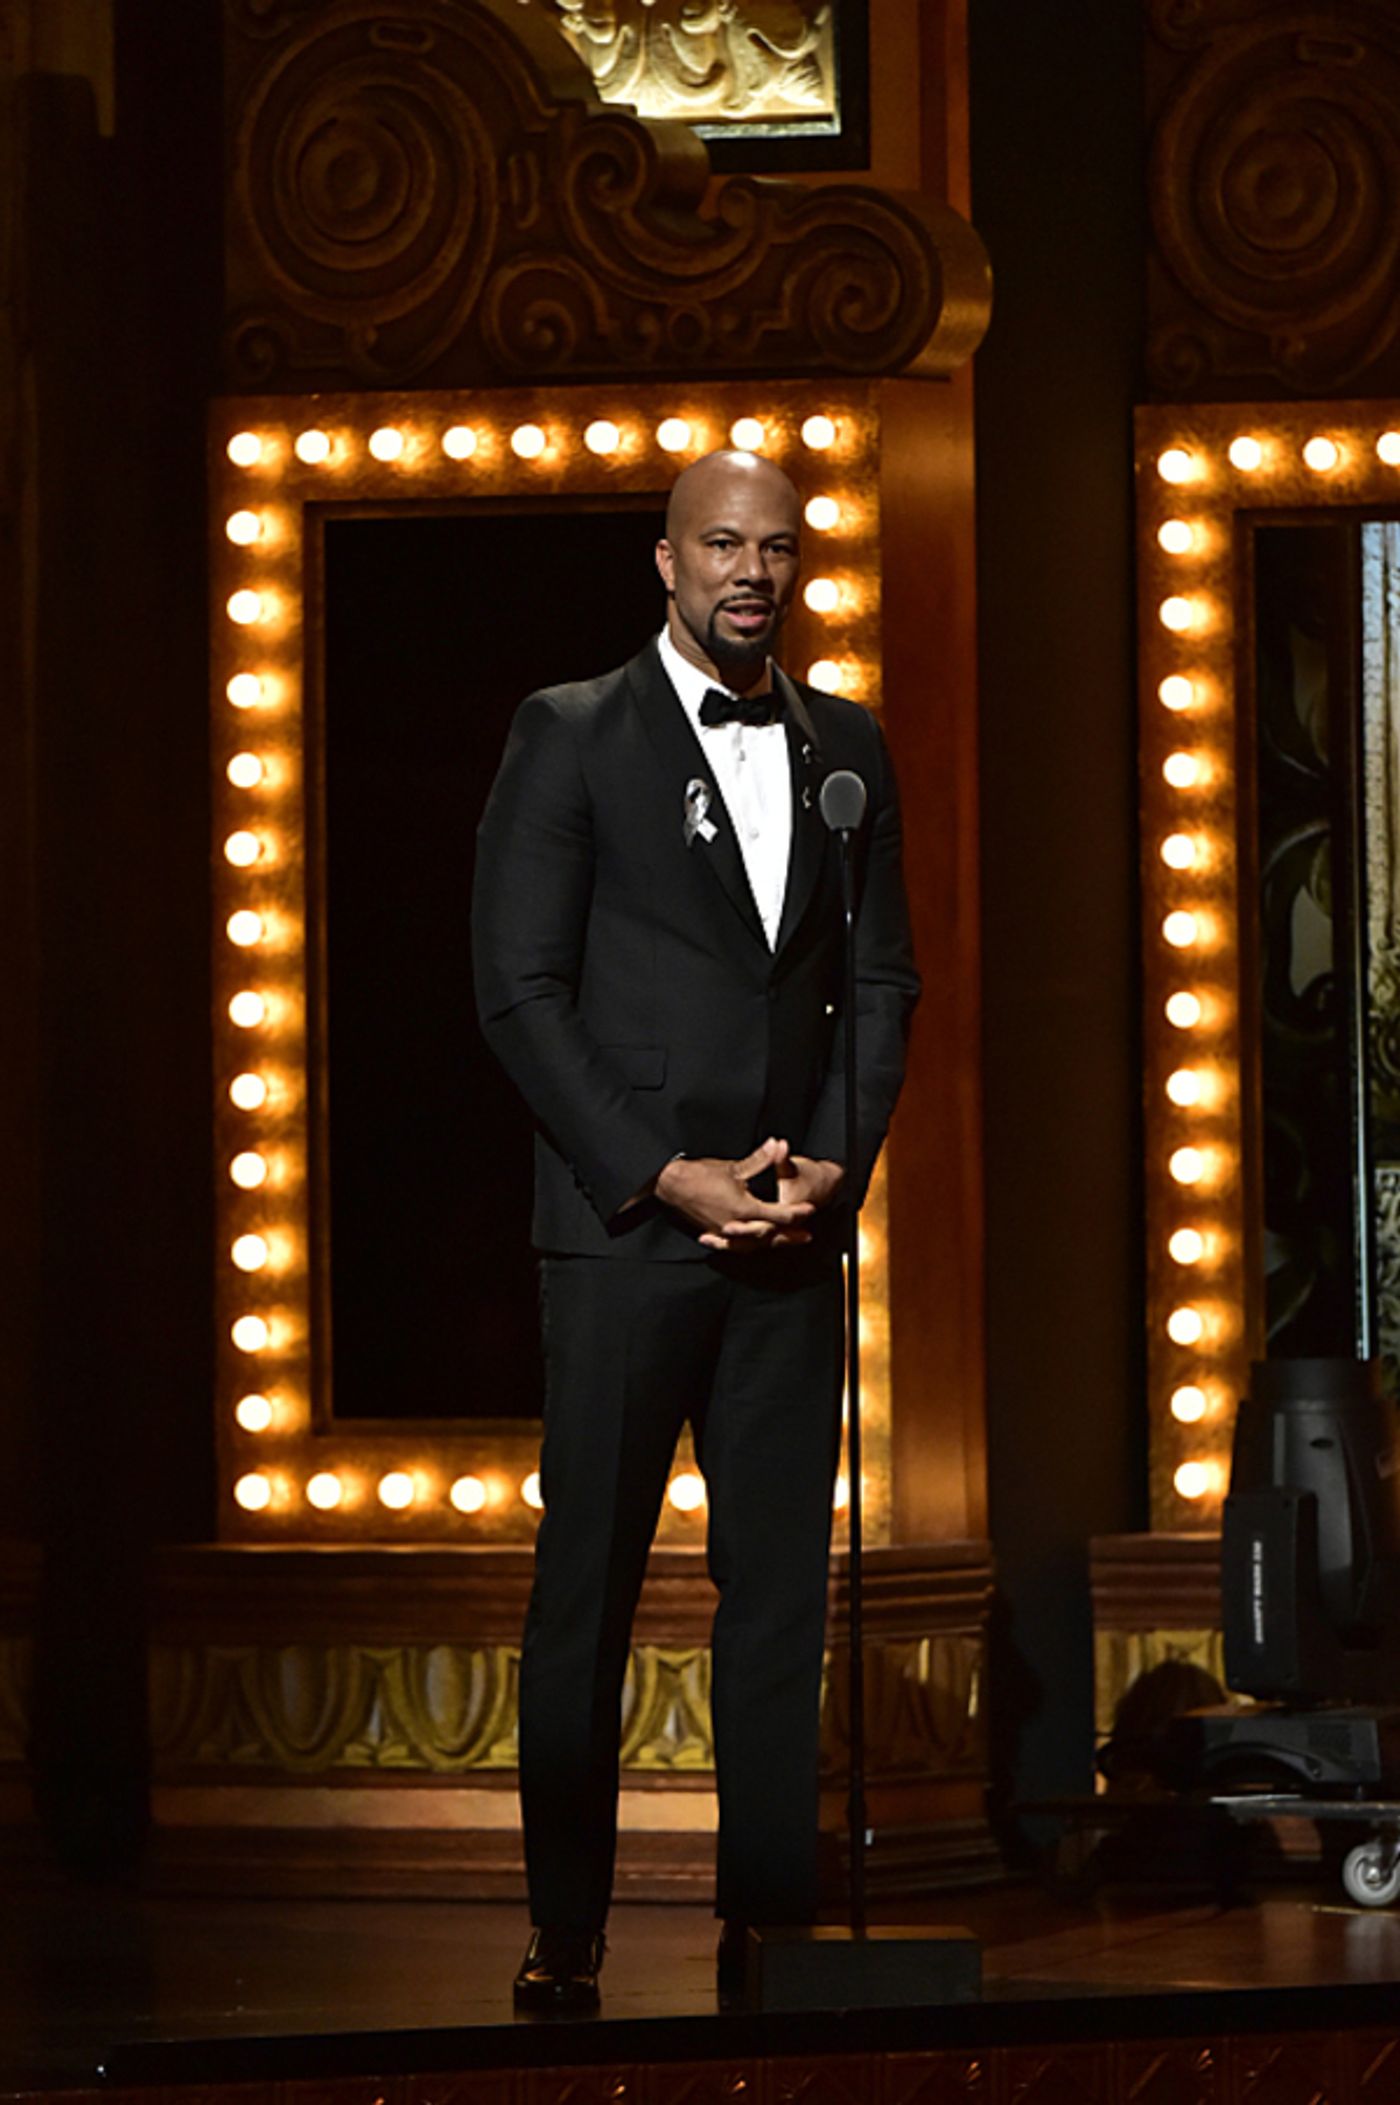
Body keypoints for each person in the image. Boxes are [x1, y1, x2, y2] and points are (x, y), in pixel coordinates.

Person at [472, 448, 919, 2010]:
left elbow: (881, 982)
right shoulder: (572, 732)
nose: (752, 572)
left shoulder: (847, 746)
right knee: (585, 1584)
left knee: (781, 1593)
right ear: (666, 563)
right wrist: (665, 1172)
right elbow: (517, 992)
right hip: (625, 1234)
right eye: (723, 544)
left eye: (776, 548)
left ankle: (765, 1924)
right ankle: (566, 1930)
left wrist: (836, 1163)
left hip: (787, 1232)